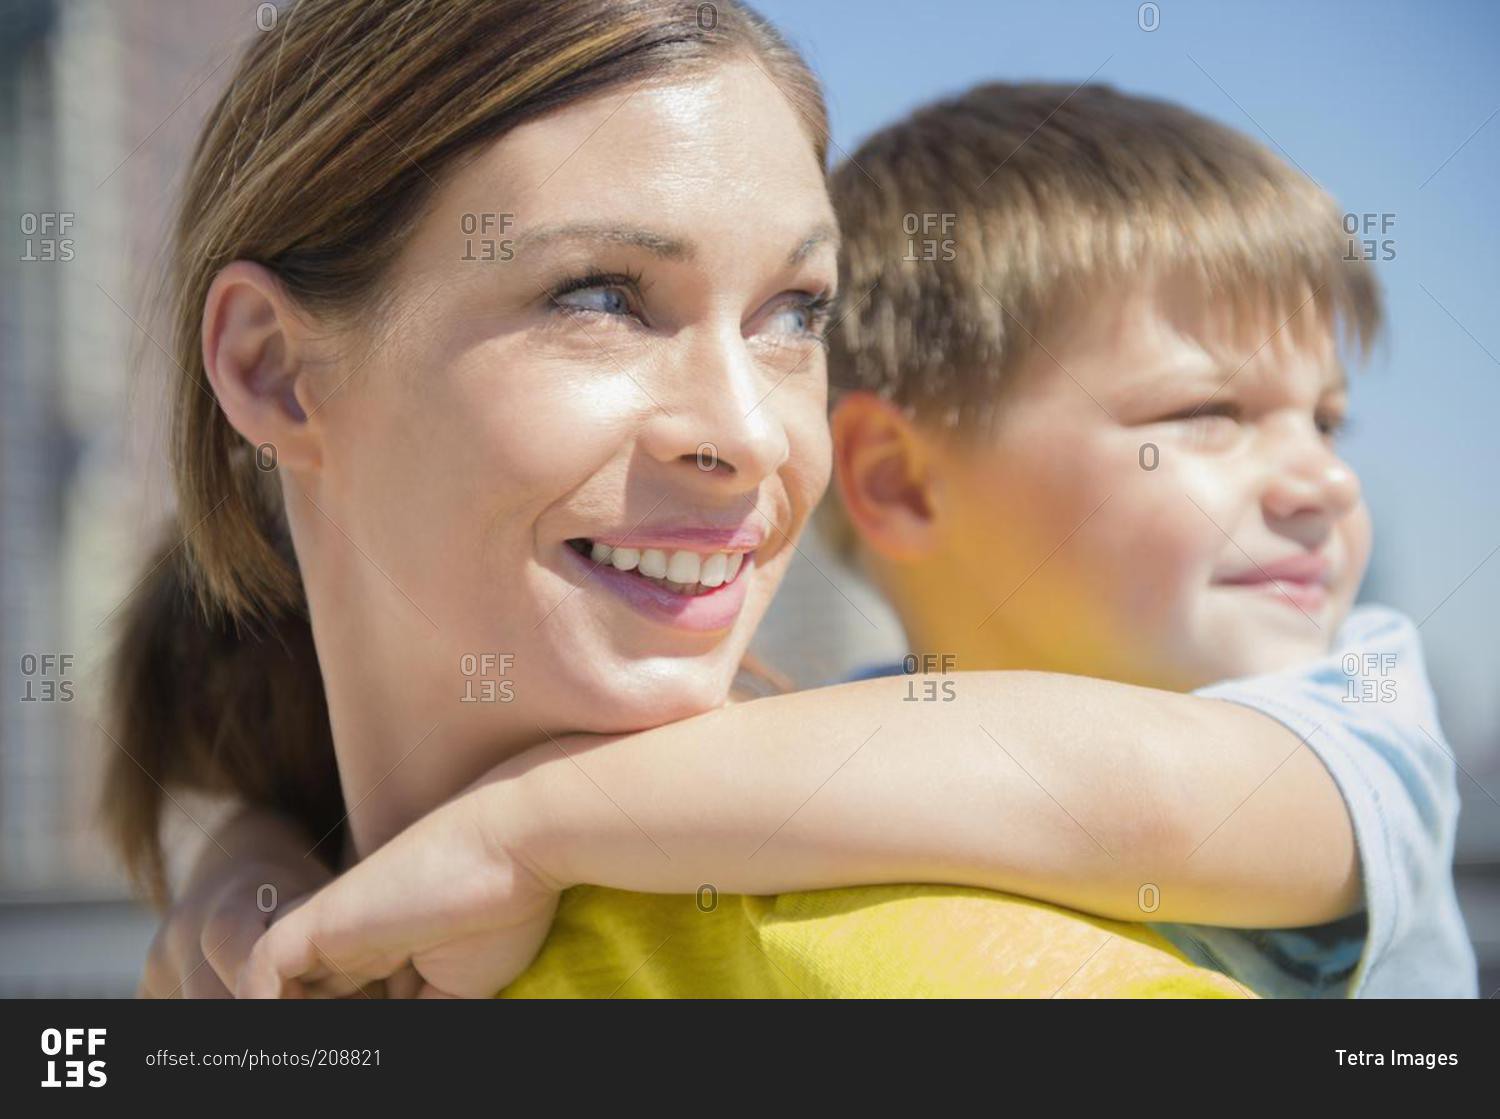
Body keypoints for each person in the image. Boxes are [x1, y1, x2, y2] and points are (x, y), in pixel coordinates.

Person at [227, 81, 1475, 1000]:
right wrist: (243, 873)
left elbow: (1139, 790)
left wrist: (520, 827)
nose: (1320, 479)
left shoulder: (1355, 712)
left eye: (1325, 420)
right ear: (900, 483)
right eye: (1208, 415)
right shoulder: (823, 749)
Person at [117, 0, 1246, 999]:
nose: (751, 436)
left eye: (795, 313)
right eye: (603, 297)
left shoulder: (929, 963)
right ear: (271, 368)